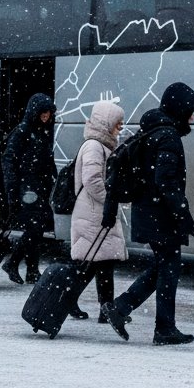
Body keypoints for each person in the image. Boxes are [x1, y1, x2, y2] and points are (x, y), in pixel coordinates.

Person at [100, 81, 194, 346]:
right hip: (160, 214)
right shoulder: (167, 136)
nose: (193, 116)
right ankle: (162, 327)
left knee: (163, 266)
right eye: (190, 110)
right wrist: (183, 215)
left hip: (149, 211)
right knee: (168, 267)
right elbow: (166, 181)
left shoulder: (153, 131)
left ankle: (122, 308)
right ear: (179, 108)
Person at [66, 100, 129, 320]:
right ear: (105, 122)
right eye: (117, 123)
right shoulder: (94, 145)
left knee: (100, 262)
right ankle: (76, 302)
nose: (120, 127)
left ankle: (104, 309)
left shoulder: (102, 145)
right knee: (93, 262)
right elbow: (92, 180)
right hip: (93, 211)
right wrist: (110, 199)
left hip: (94, 210)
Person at [1, 93, 57, 285]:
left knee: (37, 228)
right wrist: (12, 192)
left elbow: (46, 159)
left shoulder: (41, 131)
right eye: (43, 111)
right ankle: (15, 263)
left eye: (48, 111)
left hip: (38, 186)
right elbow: (9, 161)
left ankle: (30, 270)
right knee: (35, 227)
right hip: (27, 187)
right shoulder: (23, 131)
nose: (46, 115)